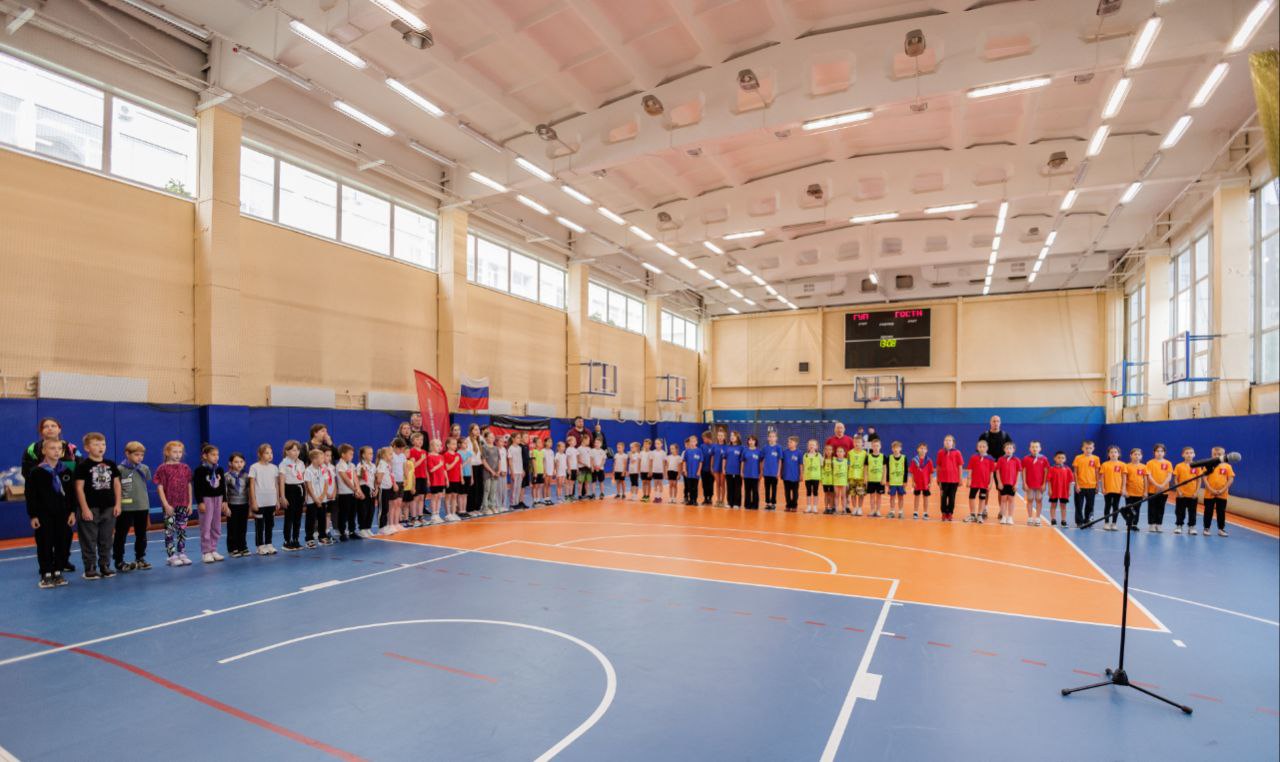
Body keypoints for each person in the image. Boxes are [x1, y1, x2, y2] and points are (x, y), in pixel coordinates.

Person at [22, 417, 80, 573]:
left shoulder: (71, 448)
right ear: (41, 431)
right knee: (45, 539)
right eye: (46, 426)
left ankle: (62, 562)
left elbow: (79, 469)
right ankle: (47, 569)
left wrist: (72, 508)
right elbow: (28, 473)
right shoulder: (32, 449)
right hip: (44, 502)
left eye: (53, 425)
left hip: (64, 502)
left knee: (64, 536)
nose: (50, 428)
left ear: (59, 429)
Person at [27, 439, 75, 588]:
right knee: (44, 543)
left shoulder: (66, 471)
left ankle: (58, 571)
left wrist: (72, 512)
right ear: (44, 451)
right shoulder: (36, 472)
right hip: (43, 515)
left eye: (59, 449)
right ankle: (46, 573)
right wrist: (33, 515)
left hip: (63, 515)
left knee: (62, 542)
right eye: (52, 448)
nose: (56, 451)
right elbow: (31, 495)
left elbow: (71, 494)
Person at [73, 433, 121, 580]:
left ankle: (105, 565)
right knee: (89, 539)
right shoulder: (82, 466)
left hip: (109, 507)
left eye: (103, 444)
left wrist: (118, 504)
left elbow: (117, 484)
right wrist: (84, 508)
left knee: (106, 538)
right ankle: (90, 567)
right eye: (96, 444)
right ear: (87, 448)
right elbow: (79, 488)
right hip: (90, 508)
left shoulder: (111, 464)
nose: (101, 447)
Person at [114, 441, 152, 572]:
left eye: (142, 455)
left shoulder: (145, 468)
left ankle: (140, 558)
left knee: (141, 534)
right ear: (127, 454)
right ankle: (119, 560)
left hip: (142, 506)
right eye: (136, 455)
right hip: (125, 508)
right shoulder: (120, 469)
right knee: (121, 535)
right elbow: (116, 488)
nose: (140, 457)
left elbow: (144, 484)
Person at [155, 440, 194, 565]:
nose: (178, 455)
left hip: (183, 504)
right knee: (170, 530)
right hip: (170, 505)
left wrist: (190, 503)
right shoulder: (162, 468)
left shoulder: (185, 468)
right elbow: (160, 487)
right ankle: (171, 555)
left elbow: (189, 485)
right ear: (167, 452)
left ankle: (182, 553)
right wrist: (166, 505)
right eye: (175, 452)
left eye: (180, 452)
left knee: (182, 529)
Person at [248, 444, 280, 552]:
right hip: (259, 501)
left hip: (271, 501)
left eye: (271, 453)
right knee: (260, 524)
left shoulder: (274, 468)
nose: (270, 455)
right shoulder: (254, 467)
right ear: (260, 454)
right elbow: (252, 485)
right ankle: (260, 545)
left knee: (270, 524)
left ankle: (269, 543)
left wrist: (277, 500)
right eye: (267, 453)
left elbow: (276, 484)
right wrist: (253, 501)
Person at [1202, 446, 1235, 537]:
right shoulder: (1208, 465)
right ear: (1211, 455)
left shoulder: (1227, 466)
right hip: (1209, 494)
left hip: (1222, 494)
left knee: (1221, 512)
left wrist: (1222, 490)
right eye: (1214, 454)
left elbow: (1230, 479)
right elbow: (1204, 478)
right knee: (1208, 511)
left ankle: (1221, 529)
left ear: (1223, 455)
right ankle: (1206, 528)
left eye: (1219, 454)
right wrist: (1211, 489)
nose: (1216, 456)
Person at [279, 440, 306, 548]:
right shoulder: (283, 464)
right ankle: (287, 541)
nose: (296, 452)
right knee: (289, 517)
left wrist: (305, 494)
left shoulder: (301, 463)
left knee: (298, 517)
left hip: (300, 489)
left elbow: (303, 479)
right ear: (287, 451)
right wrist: (282, 496)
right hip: (289, 490)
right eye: (294, 450)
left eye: (298, 450)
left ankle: (295, 539)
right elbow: (282, 481)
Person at [224, 452, 251, 556]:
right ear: (230, 463)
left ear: (244, 463)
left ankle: (243, 546)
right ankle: (233, 548)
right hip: (232, 505)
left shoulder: (247, 476)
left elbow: (249, 491)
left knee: (243, 526)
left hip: (244, 504)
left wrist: (250, 505)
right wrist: (225, 506)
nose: (239, 464)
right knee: (232, 527)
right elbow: (224, 492)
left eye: (241, 462)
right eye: (236, 462)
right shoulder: (226, 476)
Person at [1172, 447, 1203, 534]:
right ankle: (1179, 525)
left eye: (1191, 453)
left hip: (1192, 495)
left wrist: (1196, 492)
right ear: (1183, 455)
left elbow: (1199, 480)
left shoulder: (1197, 466)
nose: (1189, 455)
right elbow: (1176, 479)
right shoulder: (1179, 466)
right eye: (1187, 453)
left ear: (1194, 454)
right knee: (1179, 511)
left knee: (1192, 512)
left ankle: (1192, 527)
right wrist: (1179, 491)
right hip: (1181, 495)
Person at [301, 448, 327, 548]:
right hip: (312, 500)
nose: (323, 459)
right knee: (311, 520)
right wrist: (315, 499)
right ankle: (309, 539)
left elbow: (326, 483)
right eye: (321, 458)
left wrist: (322, 496)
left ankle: (322, 536)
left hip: (322, 499)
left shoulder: (323, 469)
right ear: (314, 459)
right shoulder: (308, 471)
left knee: (322, 518)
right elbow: (309, 486)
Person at [965, 439, 996, 524]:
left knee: (982, 498)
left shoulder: (990, 459)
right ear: (977, 448)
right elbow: (970, 469)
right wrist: (969, 479)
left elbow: (991, 472)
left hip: (984, 483)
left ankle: (979, 515)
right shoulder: (973, 457)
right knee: (971, 497)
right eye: (980, 447)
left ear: (987, 448)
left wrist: (990, 483)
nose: (982, 448)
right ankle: (972, 515)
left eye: (984, 447)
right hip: (974, 482)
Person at [1072, 441, 1102, 528]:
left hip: (1092, 486)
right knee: (1079, 505)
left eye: (1090, 448)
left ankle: (1088, 520)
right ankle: (1079, 521)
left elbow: (1097, 472)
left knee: (1090, 505)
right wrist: (1077, 484)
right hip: (1080, 486)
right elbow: (1075, 472)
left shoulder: (1096, 458)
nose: (1088, 450)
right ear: (1082, 448)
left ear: (1093, 448)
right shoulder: (1078, 458)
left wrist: (1097, 485)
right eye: (1086, 448)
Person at [1145, 444, 1172, 532]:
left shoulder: (1168, 463)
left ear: (1164, 453)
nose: (1159, 453)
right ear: (1154, 452)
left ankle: (1159, 524)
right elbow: (1149, 476)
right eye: (1157, 451)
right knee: (1152, 508)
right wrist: (1157, 485)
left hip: (1164, 490)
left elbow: (1169, 476)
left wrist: (1162, 485)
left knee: (1161, 507)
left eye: (1161, 451)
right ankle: (1152, 524)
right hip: (1152, 490)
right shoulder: (1149, 463)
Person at [1022, 441, 1049, 527]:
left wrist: (1044, 483)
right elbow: (1024, 471)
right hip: (1029, 484)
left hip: (1039, 484)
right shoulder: (1026, 458)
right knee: (1029, 499)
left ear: (1040, 448)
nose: (1035, 449)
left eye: (1037, 447)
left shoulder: (1044, 459)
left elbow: (1046, 471)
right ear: (1030, 448)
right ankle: (1030, 517)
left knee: (1039, 499)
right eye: (1033, 447)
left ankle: (1038, 518)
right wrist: (1024, 483)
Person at [936, 435, 963, 521]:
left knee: (952, 497)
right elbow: (938, 466)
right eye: (946, 440)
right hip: (943, 480)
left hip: (954, 480)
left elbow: (960, 466)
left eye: (949, 440)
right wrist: (938, 478)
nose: (947, 442)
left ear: (953, 443)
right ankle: (944, 512)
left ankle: (950, 512)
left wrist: (960, 479)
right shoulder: (940, 452)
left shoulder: (957, 452)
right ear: (943, 442)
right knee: (943, 497)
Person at [994, 441, 1021, 526]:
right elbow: (997, 471)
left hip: (1012, 484)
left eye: (1010, 448)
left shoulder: (1017, 460)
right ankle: (1003, 516)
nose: (1008, 450)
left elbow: (1018, 472)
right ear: (1004, 450)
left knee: (1011, 500)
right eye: (1007, 448)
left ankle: (1010, 517)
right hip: (1003, 484)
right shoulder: (1001, 459)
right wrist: (999, 482)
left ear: (1014, 450)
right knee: (1003, 500)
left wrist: (1016, 483)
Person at [335, 444, 359, 540]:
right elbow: (345, 479)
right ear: (343, 454)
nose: (352, 456)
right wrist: (354, 489)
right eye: (350, 454)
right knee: (343, 514)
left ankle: (352, 531)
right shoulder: (340, 465)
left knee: (352, 513)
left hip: (352, 493)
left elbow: (355, 478)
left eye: (352, 454)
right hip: (344, 494)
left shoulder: (352, 465)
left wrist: (357, 489)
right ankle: (342, 533)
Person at [1099, 446, 1126, 532]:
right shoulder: (1104, 464)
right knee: (1107, 505)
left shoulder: (1122, 465)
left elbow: (1124, 478)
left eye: (1115, 452)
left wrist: (1123, 488)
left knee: (1115, 506)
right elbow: (1102, 478)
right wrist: (1103, 488)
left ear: (1118, 454)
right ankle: (1106, 523)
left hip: (1117, 489)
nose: (1113, 454)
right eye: (1111, 452)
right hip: (1107, 489)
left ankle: (1114, 523)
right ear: (1108, 454)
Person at [1122, 448, 1148, 532]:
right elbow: (1124, 479)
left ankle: (1135, 524)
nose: (1137, 456)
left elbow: (1145, 480)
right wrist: (1124, 490)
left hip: (1139, 492)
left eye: (1139, 454)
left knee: (1137, 509)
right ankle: (1129, 524)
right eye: (1135, 454)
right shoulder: (1127, 466)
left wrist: (1145, 491)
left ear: (1141, 456)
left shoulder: (1144, 467)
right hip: (1129, 493)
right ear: (1131, 455)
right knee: (1129, 509)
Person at [1046, 452, 1074, 527]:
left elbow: (1070, 481)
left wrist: (1069, 490)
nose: (1060, 459)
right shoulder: (1051, 468)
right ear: (1055, 458)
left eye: (1062, 458)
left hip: (1064, 491)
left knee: (1063, 506)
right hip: (1054, 491)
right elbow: (1049, 480)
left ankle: (1063, 520)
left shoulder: (1067, 469)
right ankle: (1053, 520)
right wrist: (1049, 489)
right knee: (1053, 505)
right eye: (1058, 457)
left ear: (1065, 459)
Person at [375, 446, 398, 533]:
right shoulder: (382, 464)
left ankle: (385, 525)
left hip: (388, 489)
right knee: (382, 509)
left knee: (386, 508)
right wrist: (377, 488)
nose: (392, 456)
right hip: (382, 489)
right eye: (390, 454)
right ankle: (381, 528)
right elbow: (379, 478)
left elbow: (390, 475)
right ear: (384, 455)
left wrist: (393, 484)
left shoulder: (387, 464)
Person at [909, 443, 934, 520]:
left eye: (924, 449)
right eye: (921, 448)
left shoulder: (929, 461)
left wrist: (930, 483)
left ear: (926, 450)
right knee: (916, 497)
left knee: (925, 498)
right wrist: (912, 482)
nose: (922, 450)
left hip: (925, 483)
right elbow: (912, 472)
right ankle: (915, 512)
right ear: (918, 449)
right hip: (917, 483)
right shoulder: (914, 460)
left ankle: (925, 513)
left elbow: (931, 473)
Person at [355, 446, 376, 537]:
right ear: (363, 455)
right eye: (369, 453)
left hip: (371, 489)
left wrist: (376, 489)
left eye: (372, 453)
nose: (372, 455)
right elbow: (357, 478)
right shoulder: (360, 465)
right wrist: (362, 472)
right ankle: (362, 528)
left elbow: (375, 478)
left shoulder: (373, 465)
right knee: (363, 509)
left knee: (371, 509)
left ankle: (368, 527)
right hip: (364, 488)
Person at [426, 438, 446, 523]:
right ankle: (433, 515)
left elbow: (443, 469)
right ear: (432, 446)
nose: (440, 447)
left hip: (441, 480)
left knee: (439, 496)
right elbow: (431, 470)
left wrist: (446, 479)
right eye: (437, 445)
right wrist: (439, 465)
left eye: (440, 445)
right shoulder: (429, 456)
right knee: (434, 497)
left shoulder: (441, 456)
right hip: (434, 480)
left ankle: (437, 514)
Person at [481, 431, 502, 515]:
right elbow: (484, 461)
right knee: (487, 490)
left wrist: (499, 470)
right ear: (486, 438)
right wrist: (491, 471)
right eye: (490, 437)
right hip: (487, 473)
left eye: (493, 437)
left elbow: (499, 460)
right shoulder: (484, 447)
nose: (492, 438)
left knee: (493, 490)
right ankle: (485, 507)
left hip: (496, 473)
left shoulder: (496, 448)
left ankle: (492, 506)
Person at [444, 437, 464, 522]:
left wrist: (461, 477)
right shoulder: (446, 455)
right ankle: (448, 514)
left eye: (455, 444)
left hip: (456, 479)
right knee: (448, 496)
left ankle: (453, 513)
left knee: (454, 496)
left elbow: (460, 467)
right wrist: (455, 461)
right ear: (448, 445)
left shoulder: (458, 455)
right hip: (449, 479)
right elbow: (447, 468)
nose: (455, 446)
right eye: (453, 444)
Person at [886, 441, 908, 520]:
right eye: (894, 448)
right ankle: (892, 511)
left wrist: (905, 481)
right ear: (892, 449)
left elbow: (906, 471)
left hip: (900, 482)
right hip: (892, 481)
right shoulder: (889, 457)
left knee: (900, 497)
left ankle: (900, 512)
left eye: (897, 447)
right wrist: (887, 481)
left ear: (900, 448)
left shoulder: (904, 458)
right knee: (892, 497)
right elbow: (887, 469)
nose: (896, 449)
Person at [761, 430, 782, 511]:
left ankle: (773, 503)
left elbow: (780, 460)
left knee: (774, 488)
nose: (772, 438)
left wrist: (778, 471)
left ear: (776, 438)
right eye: (770, 436)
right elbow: (762, 459)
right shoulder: (765, 447)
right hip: (766, 472)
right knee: (767, 488)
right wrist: (762, 470)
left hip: (774, 472)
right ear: (768, 438)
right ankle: (768, 503)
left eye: (773, 436)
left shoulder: (778, 447)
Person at [865, 439, 886, 518]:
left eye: (877, 446)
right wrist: (865, 478)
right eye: (874, 446)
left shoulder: (883, 456)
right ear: (871, 447)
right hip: (871, 480)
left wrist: (884, 478)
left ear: (880, 446)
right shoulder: (868, 456)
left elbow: (884, 469)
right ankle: (872, 510)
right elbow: (866, 468)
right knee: (872, 496)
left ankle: (878, 510)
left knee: (879, 496)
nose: (876, 447)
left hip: (879, 480)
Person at [681, 436, 704, 506]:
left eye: (694, 441)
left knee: (695, 487)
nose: (692, 443)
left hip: (696, 473)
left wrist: (699, 471)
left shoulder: (699, 451)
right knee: (690, 487)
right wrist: (684, 469)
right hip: (689, 473)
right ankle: (690, 500)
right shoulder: (687, 451)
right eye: (691, 441)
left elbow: (701, 462)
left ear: (696, 442)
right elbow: (684, 461)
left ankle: (695, 500)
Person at [782, 436, 802, 512]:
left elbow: (800, 464)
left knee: (795, 492)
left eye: (791, 442)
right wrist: (781, 472)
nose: (789, 443)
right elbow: (782, 463)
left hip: (795, 476)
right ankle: (788, 505)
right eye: (788, 442)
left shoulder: (799, 453)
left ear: (796, 443)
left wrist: (801, 474)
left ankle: (794, 505)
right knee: (787, 492)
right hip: (786, 476)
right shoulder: (785, 452)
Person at [849, 435, 868, 516]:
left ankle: (860, 508)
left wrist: (866, 477)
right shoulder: (850, 453)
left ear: (862, 443)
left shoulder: (865, 453)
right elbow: (847, 464)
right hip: (852, 476)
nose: (857, 444)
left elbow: (866, 466)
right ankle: (854, 508)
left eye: (859, 442)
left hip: (861, 477)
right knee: (852, 494)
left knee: (861, 494)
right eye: (855, 442)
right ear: (853, 443)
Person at [724, 432, 744, 509]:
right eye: (731, 435)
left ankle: (737, 503)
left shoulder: (741, 448)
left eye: (734, 436)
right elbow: (724, 458)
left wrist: (741, 471)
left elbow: (742, 461)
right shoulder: (728, 447)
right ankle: (730, 502)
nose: (732, 437)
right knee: (729, 487)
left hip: (737, 471)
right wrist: (724, 468)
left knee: (737, 488)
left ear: (737, 437)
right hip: (729, 471)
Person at [802, 439, 823, 513]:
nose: (811, 446)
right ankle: (808, 506)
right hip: (808, 477)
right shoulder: (805, 455)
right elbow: (804, 466)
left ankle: (815, 507)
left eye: (813, 445)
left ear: (816, 446)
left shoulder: (819, 455)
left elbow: (821, 466)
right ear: (808, 446)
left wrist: (821, 477)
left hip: (816, 477)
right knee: (808, 492)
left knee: (815, 492)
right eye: (810, 444)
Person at [741, 436, 761, 510]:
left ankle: (755, 505)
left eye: (753, 440)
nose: (751, 442)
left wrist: (761, 472)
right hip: (747, 474)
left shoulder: (759, 451)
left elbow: (760, 463)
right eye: (749, 440)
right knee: (747, 490)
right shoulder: (745, 451)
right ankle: (747, 504)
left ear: (755, 442)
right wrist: (741, 471)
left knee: (755, 490)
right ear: (748, 442)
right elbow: (742, 462)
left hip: (755, 474)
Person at [830, 446, 848, 515]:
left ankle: (844, 509)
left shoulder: (846, 461)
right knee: (836, 496)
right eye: (838, 451)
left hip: (843, 481)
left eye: (841, 451)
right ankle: (836, 509)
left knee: (843, 496)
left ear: (844, 453)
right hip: (836, 481)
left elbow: (849, 470)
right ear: (836, 453)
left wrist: (848, 481)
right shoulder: (833, 461)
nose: (839, 453)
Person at [699, 431, 716, 506]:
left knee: (710, 484)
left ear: (709, 438)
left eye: (704, 438)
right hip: (703, 469)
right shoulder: (702, 446)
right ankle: (705, 498)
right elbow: (700, 457)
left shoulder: (714, 446)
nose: (703, 440)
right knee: (704, 484)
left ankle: (710, 498)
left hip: (711, 470)